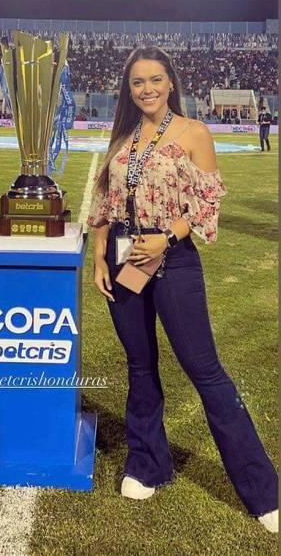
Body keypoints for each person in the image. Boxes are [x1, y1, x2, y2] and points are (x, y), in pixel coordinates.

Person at [88, 46, 278, 533]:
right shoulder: (123, 136)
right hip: (123, 259)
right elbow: (104, 201)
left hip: (173, 260)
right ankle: (148, 464)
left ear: (171, 82)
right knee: (140, 365)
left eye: (154, 80)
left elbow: (207, 205)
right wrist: (99, 258)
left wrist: (166, 238)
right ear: (128, 90)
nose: (146, 89)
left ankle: (261, 490)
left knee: (204, 368)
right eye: (137, 83)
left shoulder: (194, 133)